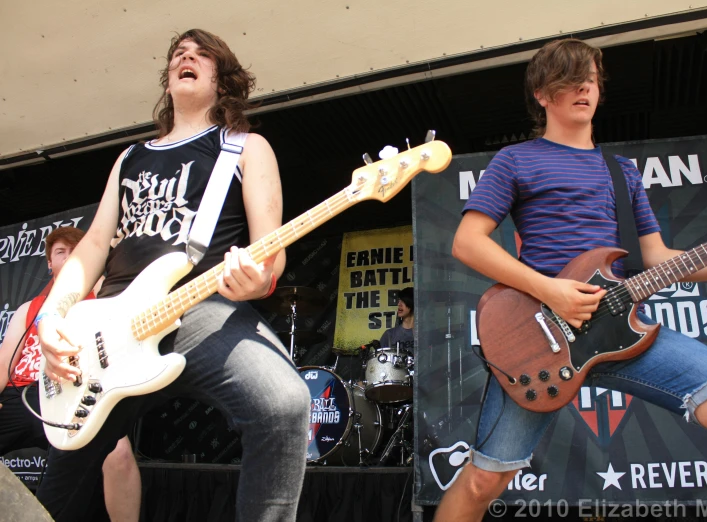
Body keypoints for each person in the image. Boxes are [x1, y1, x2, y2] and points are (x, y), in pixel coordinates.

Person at [435, 38, 707, 522]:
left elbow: (656, 257)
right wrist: (550, 289)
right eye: (571, 78)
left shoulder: (622, 174)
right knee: (481, 481)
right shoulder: (515, 160)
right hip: (540, 335)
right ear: (541, 93)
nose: (585, 87)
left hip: (620, 329)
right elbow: (467, 242)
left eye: (592, 79)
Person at [34, 29, 311, 521]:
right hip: (109, 328)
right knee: (60, 486)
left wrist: (261, 280)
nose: (186, 57)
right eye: (178, 54)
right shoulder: (130, 158)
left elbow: (272, 253)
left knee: (283, 405)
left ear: (222, 80)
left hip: (202, 307)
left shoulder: (245, 148)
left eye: (201, 55)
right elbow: (95, 245)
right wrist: (52, 316)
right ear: (168, 78)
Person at [0, 226, 141, 522]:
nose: (68, 256)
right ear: (49, 263)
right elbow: (4, 362)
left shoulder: (104, 296)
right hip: (24, 392)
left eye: (75, 250)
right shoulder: (29, 309)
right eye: (60, 252)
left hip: (73, 391)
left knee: (119, 454)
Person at [379, 286, 414, 351]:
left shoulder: (424, 335)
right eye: (399, 301)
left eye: (403, 301)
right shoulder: (389, 335)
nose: (399, 304)